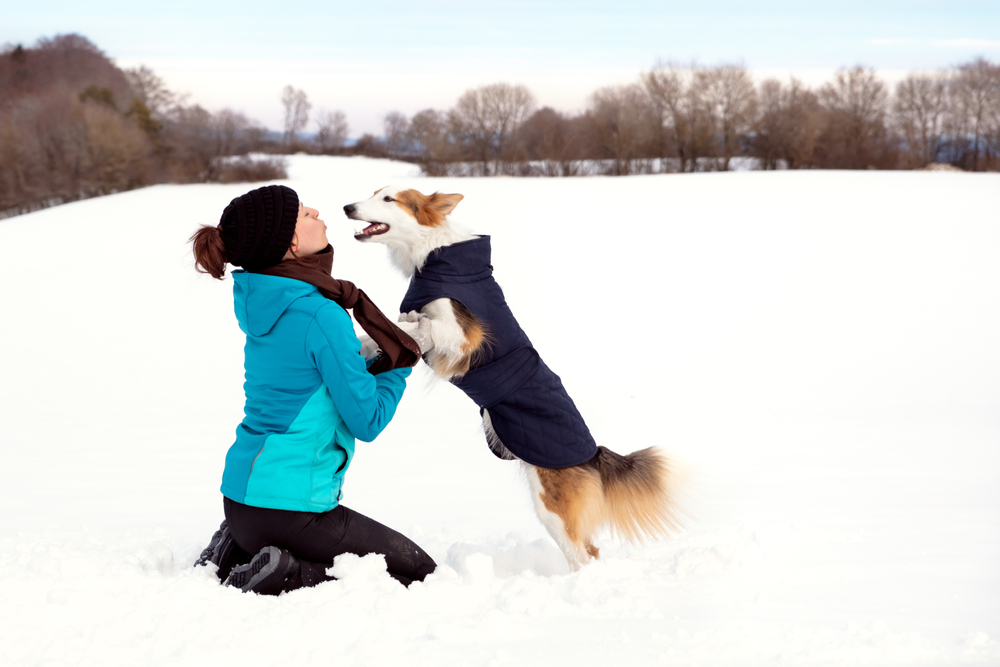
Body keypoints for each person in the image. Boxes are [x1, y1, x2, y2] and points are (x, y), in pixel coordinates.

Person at [189, 184, 437, 595]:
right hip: (289, 511)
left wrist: (375, 355)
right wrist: (401, 362)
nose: (317, 212)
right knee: (417, 571)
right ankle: (284, 570)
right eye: (305, 213)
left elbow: (313, 374)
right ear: (289, 243)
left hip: (239, 502)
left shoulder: (262, 298)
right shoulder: (320, 311)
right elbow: (368, 420)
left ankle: (237, 546)